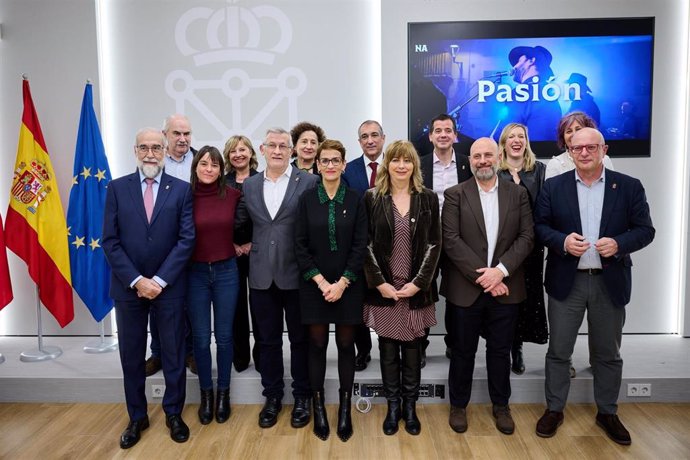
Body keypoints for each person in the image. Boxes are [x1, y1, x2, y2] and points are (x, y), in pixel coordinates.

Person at [533, 127, 654, 445]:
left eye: (591, 147)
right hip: (566, 283)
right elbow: (539, 227)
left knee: (608, 354)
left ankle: (608, 413)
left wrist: (619, 243)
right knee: (558, 352)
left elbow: (645, 230)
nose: (584, 153)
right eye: (577, 148)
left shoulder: (628, 187)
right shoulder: (554, 186)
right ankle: (555, 409)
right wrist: (560, 241)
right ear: (569, 152)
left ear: (604, 149)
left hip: (609, 282)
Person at [102, 128, 195, 448]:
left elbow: (186, 240)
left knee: (173, 352)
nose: (151, 153)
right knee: (131, 356)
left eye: (157, 147)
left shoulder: (182, 189)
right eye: (144, 147)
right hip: (128, 289)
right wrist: (137, 280)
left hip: (168, 287)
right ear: (135, 151)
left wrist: (158, 280)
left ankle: (173, 413)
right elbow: (110, 241)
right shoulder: (116, 189)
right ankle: (137, 416)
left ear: (165, 150)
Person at [442, 137, 534, 436]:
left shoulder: (517, 194)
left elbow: (526, 238)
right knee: (462, 351)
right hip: (466, 289)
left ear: (499, 157)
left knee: (500, 351)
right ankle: (458, 405)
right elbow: (451, 241)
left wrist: (501, 272)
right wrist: (486, 277)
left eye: (488, 155)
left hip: (506, 287)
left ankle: (501, 406)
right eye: (477, 155)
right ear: (470, 160)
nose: (483, 160)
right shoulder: (455, 194)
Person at [236, 127, 320, 429]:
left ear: (292, 151)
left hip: (298, 276)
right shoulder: (250, 185)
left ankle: (302, 397)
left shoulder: (309, 181)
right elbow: (241, 223)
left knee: (300, 341)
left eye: (284, 146)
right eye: (272, 145)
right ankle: (272, 396)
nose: (277, 150)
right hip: (260, 276)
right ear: (262, 149)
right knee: (267, 341)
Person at [363, 140, 441, 436]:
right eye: (395, 160)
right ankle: (392, 407)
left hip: (414, 289)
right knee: (386, 350)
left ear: (414, 166)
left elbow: (435, 244)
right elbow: (366, 245)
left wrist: (418, 284)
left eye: (406, 161)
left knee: (411, 350)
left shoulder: (428, 198)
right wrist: (380, 283)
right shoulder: (373, 198)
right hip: (384, 289)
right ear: (388, 165)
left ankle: (410, 408)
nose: (401, 165)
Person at [295, 139, 368, 442]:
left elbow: (360, 245)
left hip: (348, 285)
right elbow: (299, 245)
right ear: (317, 164)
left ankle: (346, 409)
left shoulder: (355, 199)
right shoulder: (307, 199)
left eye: (335, 160)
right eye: (324, 161)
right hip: (315, 285)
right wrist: (323, 282)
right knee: (316, 345)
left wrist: (342, 283)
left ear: (343, 163)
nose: (329, 165)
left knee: (345, 346)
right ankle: (320, 407)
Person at [187, 146, 242, 425]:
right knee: (199, 338)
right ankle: (205, 394)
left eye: (215, 165)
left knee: (224, 337)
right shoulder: (184, 196)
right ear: (195, 166)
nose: (209, 169)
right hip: (194, 274)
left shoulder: (233, 195)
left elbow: (251, 226)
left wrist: (245, 245)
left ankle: (224, 394)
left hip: (226, 272)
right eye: (204, 164)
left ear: (222, 170)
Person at [145, 114, 196, 377]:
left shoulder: (202, 162)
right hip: (160, 245)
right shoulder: (153, 163)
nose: (183, 139)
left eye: (187, 133)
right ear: (165, 135)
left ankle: (189, 352)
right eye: (177, 133)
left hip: (192, 243)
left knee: (189, 302)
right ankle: (158, 353)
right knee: (157, 298)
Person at [420, 113, 473, 364]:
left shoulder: (467, 164)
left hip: (458, 239)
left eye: (448, 130)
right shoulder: (418, 166)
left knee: (456, 293)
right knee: (423, 293)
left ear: (455, 135)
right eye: (438, 130)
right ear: (430, 136)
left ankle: (454, 344)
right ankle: (420, 344)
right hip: (425, 240)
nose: (443, 134)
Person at [496, 123, 547, 375]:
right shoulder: (495, 171)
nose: (516, 140)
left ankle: (517, 348)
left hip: (532, 249)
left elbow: (543, 209)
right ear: (503, 142)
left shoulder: (540, 170)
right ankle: (503, 347)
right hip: (502, 249)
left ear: (526, 141)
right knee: (504, 300)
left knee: (525, 300)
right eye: (511, 136)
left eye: (521, 136)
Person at [342, 119, 387, 371]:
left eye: (374, 135)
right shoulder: (349, 171)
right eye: (364, 136)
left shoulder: (395, 166)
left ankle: (388, 348)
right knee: (358, 303)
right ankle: (364, 350)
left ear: (383, 138)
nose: (369, 140)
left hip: (391, 248)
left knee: (387, 301)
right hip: (359, 247)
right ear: (359, 142)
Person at [223, 135, 260, 373]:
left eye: (243, 149)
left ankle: (261, 355)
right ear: (228, 155)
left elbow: (270, 217)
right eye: (233, 150)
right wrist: (233, 245)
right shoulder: (221, 181)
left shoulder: (262, 179)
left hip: (258, 251)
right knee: (235, 307)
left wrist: (251, 243)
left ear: (251, 153)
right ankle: (240, 356)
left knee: (259, 306)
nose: (239, 154)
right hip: (229, 252)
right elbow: (217, 217)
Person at [503, 45, 562, 141]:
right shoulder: (548, 94)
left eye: (518, 61)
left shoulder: (521, 93)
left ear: (531, 61)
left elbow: (507, 132)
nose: (514, 66)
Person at [545, 111, 614, 180]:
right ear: (563, 137)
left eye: (578, 129)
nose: (574, 134)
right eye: (569, 131)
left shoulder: (604, 159)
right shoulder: (555, 164)